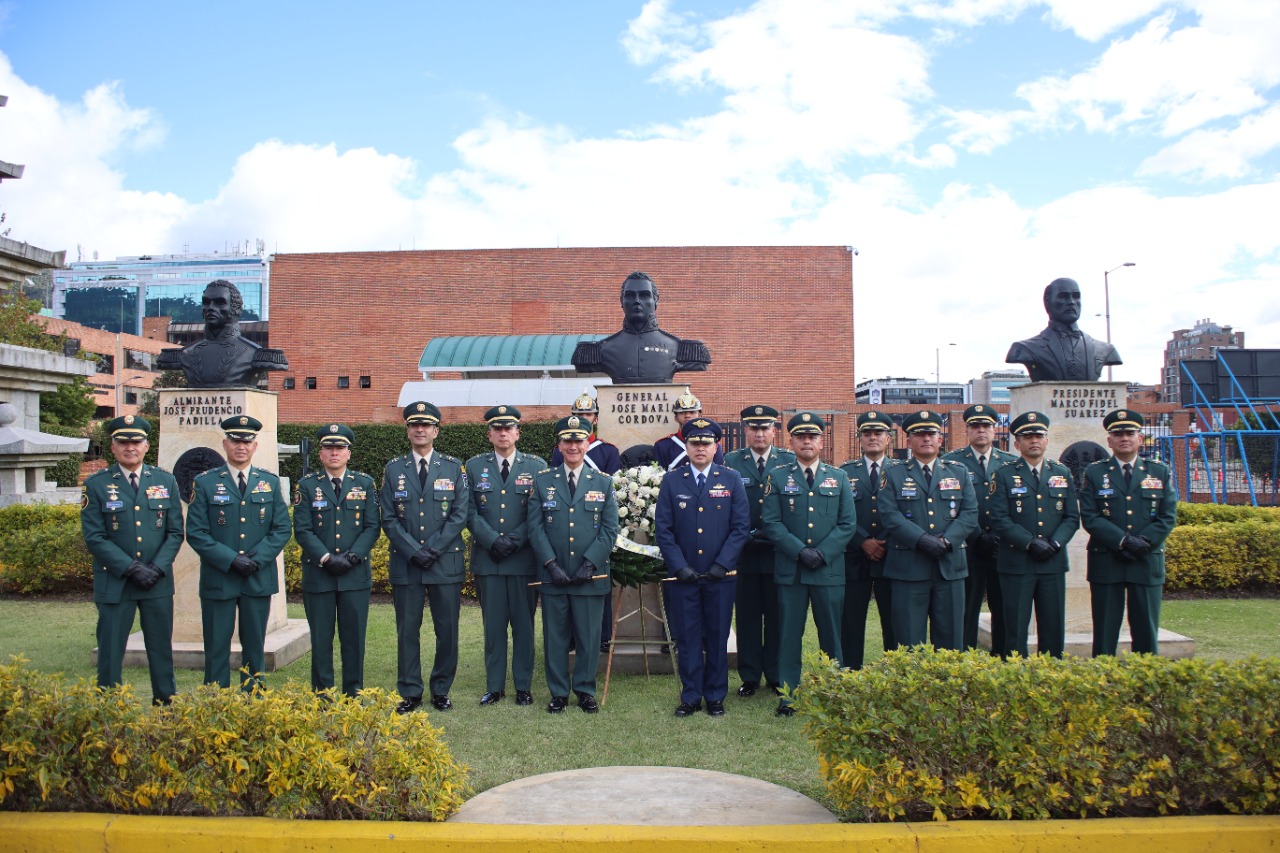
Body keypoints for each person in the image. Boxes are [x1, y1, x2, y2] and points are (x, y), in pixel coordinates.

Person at [81, 415, 182, 704]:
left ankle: (166, 707)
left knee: (161, 648)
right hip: (116, 582)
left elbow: (175, 532)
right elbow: (95, 537)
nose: (130, 447)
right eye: (122, 442)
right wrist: (130, 567)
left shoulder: (165, 480)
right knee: (111, 649)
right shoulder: (97, 485)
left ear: (146, 445)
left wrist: (157, 568)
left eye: (135, 441)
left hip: (156, 582)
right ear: (112, 447)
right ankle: (109, 709)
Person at [761, 412, 856, 717]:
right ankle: (789, 696)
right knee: (789, 635)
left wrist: (822, 553)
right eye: (800, 437)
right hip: (792, 570)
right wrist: (800, 551)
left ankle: (835, 692)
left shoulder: (838, 477)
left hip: (828, 570)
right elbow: (771, 523)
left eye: (812, 436)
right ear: (790, 441)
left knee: (832, 634)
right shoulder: (777, 477)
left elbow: (847, 524)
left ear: (820, 441)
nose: (806, 441)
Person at [186, 415, 291, 690]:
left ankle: (253, 694)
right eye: (235, 440)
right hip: (219, 578)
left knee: (254, 644)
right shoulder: (206, 482)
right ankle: (216, 696)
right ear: (225, 444)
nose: (241, 446)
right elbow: (196, 532)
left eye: (247, 441)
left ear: (255, 446)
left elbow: (281, 529)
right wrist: (231, 559)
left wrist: (255, 560)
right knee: (216, 643)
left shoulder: (269, 482)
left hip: (257, 578)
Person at [379, 402, 471, 714]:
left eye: (426, 425)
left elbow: (459, 515)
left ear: (436, 430)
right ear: (407, 430)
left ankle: (441, 689)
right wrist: (413, 551)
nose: (420, 430)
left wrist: (433, 549)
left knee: (447, 630)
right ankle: (410, 692)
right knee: (407, 631)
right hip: (407, 565)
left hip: (444, 563)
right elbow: (388, 518)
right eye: (414, 425)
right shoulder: (393, 469)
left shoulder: (453, 467)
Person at [656, 417, 750, 717]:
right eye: (694, 443)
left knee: (717, 636)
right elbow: (664, 530)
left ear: (715, 447)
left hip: (720, 577)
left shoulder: (731, 479)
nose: (700, 448)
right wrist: (679, 566)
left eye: (705, 443)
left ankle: (715, 695)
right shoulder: (672, 480)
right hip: (684, 577)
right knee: (687, 638)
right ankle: (691, 696)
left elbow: (740, 527)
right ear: (686, 446)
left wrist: (723, 564)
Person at [527, 415, 620, 714]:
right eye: (567, 440)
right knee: (555, 637)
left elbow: (609, 530)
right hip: (554, 575)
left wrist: (591, 563)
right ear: (560, 445)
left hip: (589, 577)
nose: (573, 446)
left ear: (587, 442)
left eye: (578, 440)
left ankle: (584, 690)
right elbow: (535, 527)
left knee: (589, 638)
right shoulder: (543, 481)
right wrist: (551, 564)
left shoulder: (603, 482)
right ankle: (558, 692)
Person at [464, 405, 546, 706]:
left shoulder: (536, 467)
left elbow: (539, 512)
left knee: (524, 627)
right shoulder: (473, 467)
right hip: (490, 560)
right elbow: (468, 511)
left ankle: (523, 686)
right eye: (497, 429)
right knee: (493, 627)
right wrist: (491, 540)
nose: (503, 433)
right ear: (489, 435)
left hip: (523, 560)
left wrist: (514, 540)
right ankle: (495, 686)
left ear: (517, 433)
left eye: (508, 428)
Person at [292, 423, 381, 697]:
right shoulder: (307, 486)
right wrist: (327, 558)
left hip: (355, 577)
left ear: (348, 453)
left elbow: (372, 526)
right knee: (321, 640)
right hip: (319, 575)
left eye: (339, 448)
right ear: (320, 454)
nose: (334, 452)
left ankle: (354, 693)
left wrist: (352, 557)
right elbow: (303, 530)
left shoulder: (364, 483)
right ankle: (323, 694)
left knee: (354, 640)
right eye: (328, 448)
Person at [878, 410, 978, 651]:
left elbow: (969, 514)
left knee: (951, 639)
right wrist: (921, 540)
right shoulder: (893, 474)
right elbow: (890, 515)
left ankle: (947, 688)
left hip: (950, 565)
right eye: (919, 434)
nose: (926, 439)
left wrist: (946, 541)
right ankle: (913, 689)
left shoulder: (959, 472)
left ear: (940, 439)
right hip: (909, 565)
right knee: (909, 638)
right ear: (908, 441)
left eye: (931, 434)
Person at [1080, 410, 1177, 656]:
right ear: (1109, 441)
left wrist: (1143, 542)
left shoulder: (1159, 471)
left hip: (1146, 558)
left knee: (1146, 629)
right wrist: (1123, 541)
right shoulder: (1094, 473)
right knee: (1104, 630)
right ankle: (1104, 679)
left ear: (1140, 439)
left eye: (1130, 433)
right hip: (1108, 558)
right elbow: (1090, 517)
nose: (1124, 438)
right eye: (1118, 434)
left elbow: (1167, 516)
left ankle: (1144, 680)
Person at [988, 411, 1080, 658]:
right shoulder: (1004, 474)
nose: (1034, 441)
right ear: (1017, 444)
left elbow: (1072, 517)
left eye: (1039, 436)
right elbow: (998, 519)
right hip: (1017, 563)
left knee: (1053, 625)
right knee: (1015, 626)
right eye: (1027, 437)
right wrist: (1029, 543)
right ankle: (1014, 677)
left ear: (1047, 440)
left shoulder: (1061, 473)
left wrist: (1056, 542)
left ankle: (1050, 674)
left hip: (1052, 561)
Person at [722, 404, 795, 697]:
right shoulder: (730, 462)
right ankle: (750, 675)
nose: (759, 433)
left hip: (779, 552)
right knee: (749, 617)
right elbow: (723, 506)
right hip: (745, 553)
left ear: (774, 431)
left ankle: (777, 675)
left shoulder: (788, 461)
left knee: (778, 616)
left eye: (765, 428)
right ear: (745, 431)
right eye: (754, 428)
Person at [942, 404, 1017, 655]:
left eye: (986, 426)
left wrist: (997, 535)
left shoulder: (1010, 464)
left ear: (995, 430)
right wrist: (976, 535)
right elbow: (950, 508)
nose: (981, 431)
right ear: (967, 431)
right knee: (965, 610)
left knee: (1003, 609)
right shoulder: (950, 462)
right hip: (968, 547)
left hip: (1002, 547)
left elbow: (1014, 508)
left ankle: (1003, 662)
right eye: (975, 426)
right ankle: (967, 661)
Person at [550, 392, 621, 652]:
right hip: (566, 525)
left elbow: (612, 487)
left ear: (596, 418)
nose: (583, 419)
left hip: (594, 527)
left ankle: (602, 637)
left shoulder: (608, 451)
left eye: (588, 415)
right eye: (578, 415)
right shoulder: (559, 451)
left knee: (598, 588)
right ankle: (570, 638)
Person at [837, 411, 899, 669]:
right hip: (855, 556)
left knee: (894, 620)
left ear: (888, 438)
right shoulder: (844, 472)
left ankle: (896, 672)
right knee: (851, 620)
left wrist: (881, 542)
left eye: (878, 433)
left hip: (892, 555)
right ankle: (851, 673)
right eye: (867, 433)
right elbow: (840, 514)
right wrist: (863, 541)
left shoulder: (900, 471)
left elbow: (905, 513)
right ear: (859, 438)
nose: (873, 438)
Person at [571, 271, 711, 384]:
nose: (637, 301)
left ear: (655, 301)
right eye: (630, 295)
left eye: (644, 295)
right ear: (622, 301)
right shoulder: (600, 350)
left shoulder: (681, 349)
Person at [155, 279, 287, 387]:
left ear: (235, 309)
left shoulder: (256, 354)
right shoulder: (184, 354)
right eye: (206, 303)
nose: (211, 308)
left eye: (220, 303)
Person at [1006, 277, 1122, 381]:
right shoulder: (1025, 349)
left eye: (1076, 296)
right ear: (1047, 301)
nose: (1071, 302)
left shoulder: (1105, 350)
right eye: (1063, 296)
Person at [653, 392, 724, 470]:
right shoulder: (663, 445)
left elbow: (718, 472)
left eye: (692, 412)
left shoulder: (712, 443)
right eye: (682, 412)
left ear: (700, 415)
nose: (687, 415)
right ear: (675, 417)